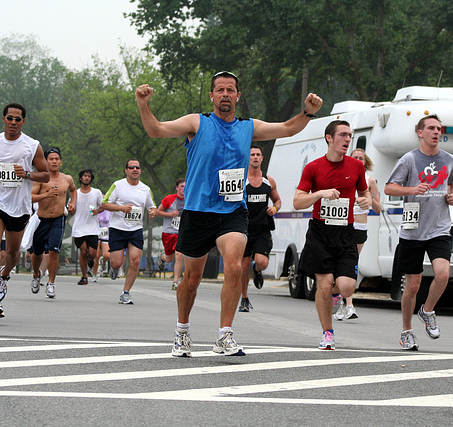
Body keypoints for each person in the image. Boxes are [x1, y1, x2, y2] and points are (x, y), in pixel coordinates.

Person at [135, 71, 322, 357]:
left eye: (230, 90)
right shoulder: (196, 122)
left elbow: (286, 128)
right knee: (191, 279)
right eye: (219, 89)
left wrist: (307, 112)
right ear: (212, 96)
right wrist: (143, 104)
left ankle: (224, 334)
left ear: (237, 96)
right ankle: (182, 330)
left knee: (235, 266)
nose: (225, 94)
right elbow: (156, 129)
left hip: (233, 209)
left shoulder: (248, 127)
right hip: (198, 211)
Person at [293, 120, 371, 349]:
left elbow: (364, 192)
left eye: (350, 135)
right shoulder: (314, 167)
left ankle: (337, 295)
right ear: (329, 138)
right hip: (320, 231)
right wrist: (319, 193)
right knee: (324, 283)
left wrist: (365, 199)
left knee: (347, 287)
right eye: (343, 135)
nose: (348, 139)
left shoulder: (356, 167)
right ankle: (328, 333)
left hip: (346, 232)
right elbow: (297, 201)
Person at [384, 114, 453, 351]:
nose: (436, 132)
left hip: (439, 227)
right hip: (413, 229)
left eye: (439, 129)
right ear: (420, 132)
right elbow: (389, 188)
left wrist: (452, 195)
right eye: (431, 128)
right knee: (413, 286)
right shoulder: (409, 159)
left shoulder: (449, 159)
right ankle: (406, 331)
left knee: (443, 273)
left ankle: (427, 311)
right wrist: (412, 189)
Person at [0, 102, 50, 318]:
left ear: (23, 122)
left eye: (18, 119)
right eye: (10, 118)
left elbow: (45, 175)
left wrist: (26, 174)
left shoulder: (32, 145)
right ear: (3, 119)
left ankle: (5, 275)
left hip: (19, 205)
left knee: (13, 253)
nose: (13, 122)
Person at [333, 148, 382, 321]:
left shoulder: (370, 181)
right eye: (355, 157)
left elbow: (378, 208)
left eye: (361, 158)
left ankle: (342, 302)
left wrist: (369, 200)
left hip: (360, 227)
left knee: (351, 262)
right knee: (343, 264)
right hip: (342, 226)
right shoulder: (342, 176)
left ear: (365, 161)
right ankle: (347, 305)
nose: (359, 160)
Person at [101, 159, 156, 304]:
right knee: (117, 262)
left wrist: (152, 212)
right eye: (131, 167)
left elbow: (152, 206)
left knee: (135, 260)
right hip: (118, 228)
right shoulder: (118, 185)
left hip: (135, 229)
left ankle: (126, 292)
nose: (135, 169)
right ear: (126, 170)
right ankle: (113, 267)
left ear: (140, 170)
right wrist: (121, 208)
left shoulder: (145, 189)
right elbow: (104, 203)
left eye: (137, 167)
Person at [238, 145, 281, 312]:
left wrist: (274, 209)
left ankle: (257, 270)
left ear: (262, 158)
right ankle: (244, 298)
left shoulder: (268, 181)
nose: (255, 157)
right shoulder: (242, 180)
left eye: (258, 154)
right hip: (244, 228)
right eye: (252, 155)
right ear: (247, 158)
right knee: (243, 265)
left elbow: (277, 201)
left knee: (262, 262)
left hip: (262, 228)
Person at [30, 147, 77, 299]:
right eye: (51, 159)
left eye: (57, 159)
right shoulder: (41, 179)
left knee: (54, 251)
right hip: (41, 219)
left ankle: (51, 283)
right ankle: (37, 274)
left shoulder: (67, 179)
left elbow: (73, 190)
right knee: (37, 253)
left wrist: (72, 202)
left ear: (61, 162)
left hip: (58, 219)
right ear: (46, 161)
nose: (54, 161)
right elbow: (30, 197)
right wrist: (47, 194)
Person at [71, 169, 103, 286]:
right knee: (83, 251)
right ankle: (84, 276)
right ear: (80, 178)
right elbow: (71, 207)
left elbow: (103, 206)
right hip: (79, 227)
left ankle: (90, 261)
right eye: (84, 176)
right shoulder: (75, 192)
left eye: (89, 176)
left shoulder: (96, 192)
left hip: (92, 227)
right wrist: (71, 209)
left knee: (93, 254)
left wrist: (97, 211)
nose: (86, 178)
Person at [156, 178, 186, 291]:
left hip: (181, 233)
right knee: (169, 258)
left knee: (179, 255)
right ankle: (162, 257)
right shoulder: (169, 199)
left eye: (185, 186)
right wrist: (171, 214)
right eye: (182, 186)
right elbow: (157, 212)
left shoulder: (189, 199)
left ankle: (175, 281)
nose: (184, 189)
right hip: (168, 232)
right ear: (177, 188)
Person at [92, 209, 113, 280]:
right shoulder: (94, 206)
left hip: (105, 234)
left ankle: (103, 262)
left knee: (107, 255)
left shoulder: (109, 209)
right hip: (95, 232)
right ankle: (95, 274)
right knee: (96, 255)